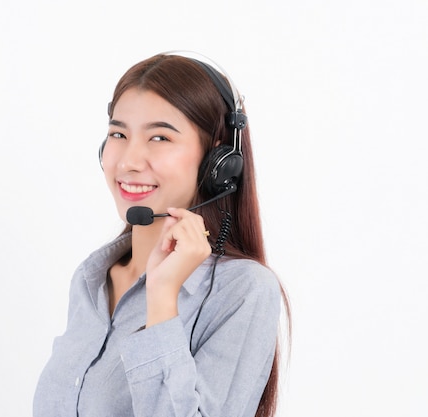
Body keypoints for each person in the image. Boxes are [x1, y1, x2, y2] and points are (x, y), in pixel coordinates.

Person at [33, 51, 290, 417]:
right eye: (118, 134)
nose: (128, 161)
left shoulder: (244, 290)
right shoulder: (92, 281)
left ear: (218, 164)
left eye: (159, 138)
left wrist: (162, 297)